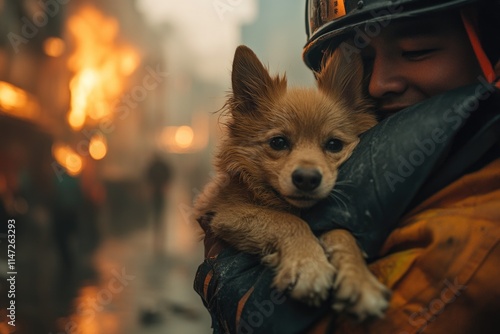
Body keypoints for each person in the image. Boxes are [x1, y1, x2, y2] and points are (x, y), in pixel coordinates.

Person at [194, 0, 500, 333]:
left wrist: (225, 280)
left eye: (417, 51)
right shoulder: (403, 158)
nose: (376, 85)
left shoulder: (481, 213)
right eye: (365, 63)